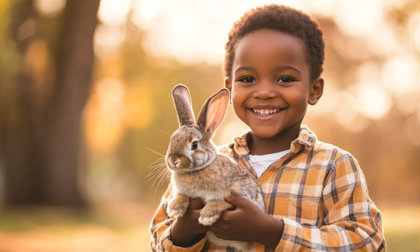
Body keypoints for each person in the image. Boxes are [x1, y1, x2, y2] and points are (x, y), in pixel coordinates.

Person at [150, 4, 386, 251]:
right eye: (248, 79)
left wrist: (272, 231)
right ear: (229, 90)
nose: (264, 92)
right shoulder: (194, 164)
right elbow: (159, 238)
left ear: (314, 90)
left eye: (285, 79)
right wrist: (185, 230)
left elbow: (366, 242)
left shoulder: (334, 166)